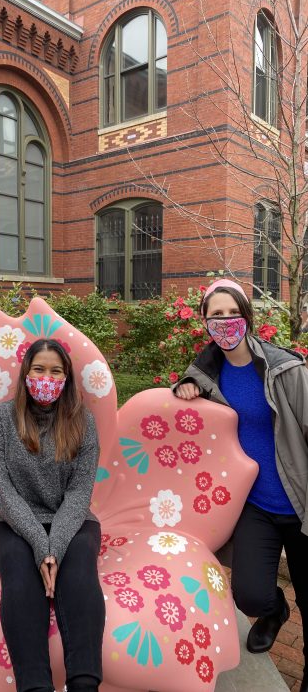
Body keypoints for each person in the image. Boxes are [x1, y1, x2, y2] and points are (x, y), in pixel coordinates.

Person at [174, 278, 308, 692]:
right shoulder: (205, 374)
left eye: (234, 313)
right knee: (248, 594)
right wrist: (183, 387)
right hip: (255, 506)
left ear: (247, 318)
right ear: (205, 322)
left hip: (301, 501)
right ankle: (273, 611)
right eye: (217, 315)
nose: (226, 322)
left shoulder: (286, 369)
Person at [0, 338, 105, 692]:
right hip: (8, 522)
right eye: (38, 369)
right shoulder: (0, 418)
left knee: (79, 568)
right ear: (25, 373)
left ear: (66, 377)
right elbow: (2, 491)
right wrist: (41, 546)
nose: (46, 377)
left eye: (55, 371)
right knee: (19, 569)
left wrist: (56, 547)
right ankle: (35, 686)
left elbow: (80, 492)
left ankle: (84, 683)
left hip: (72, 520)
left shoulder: (83, 422)